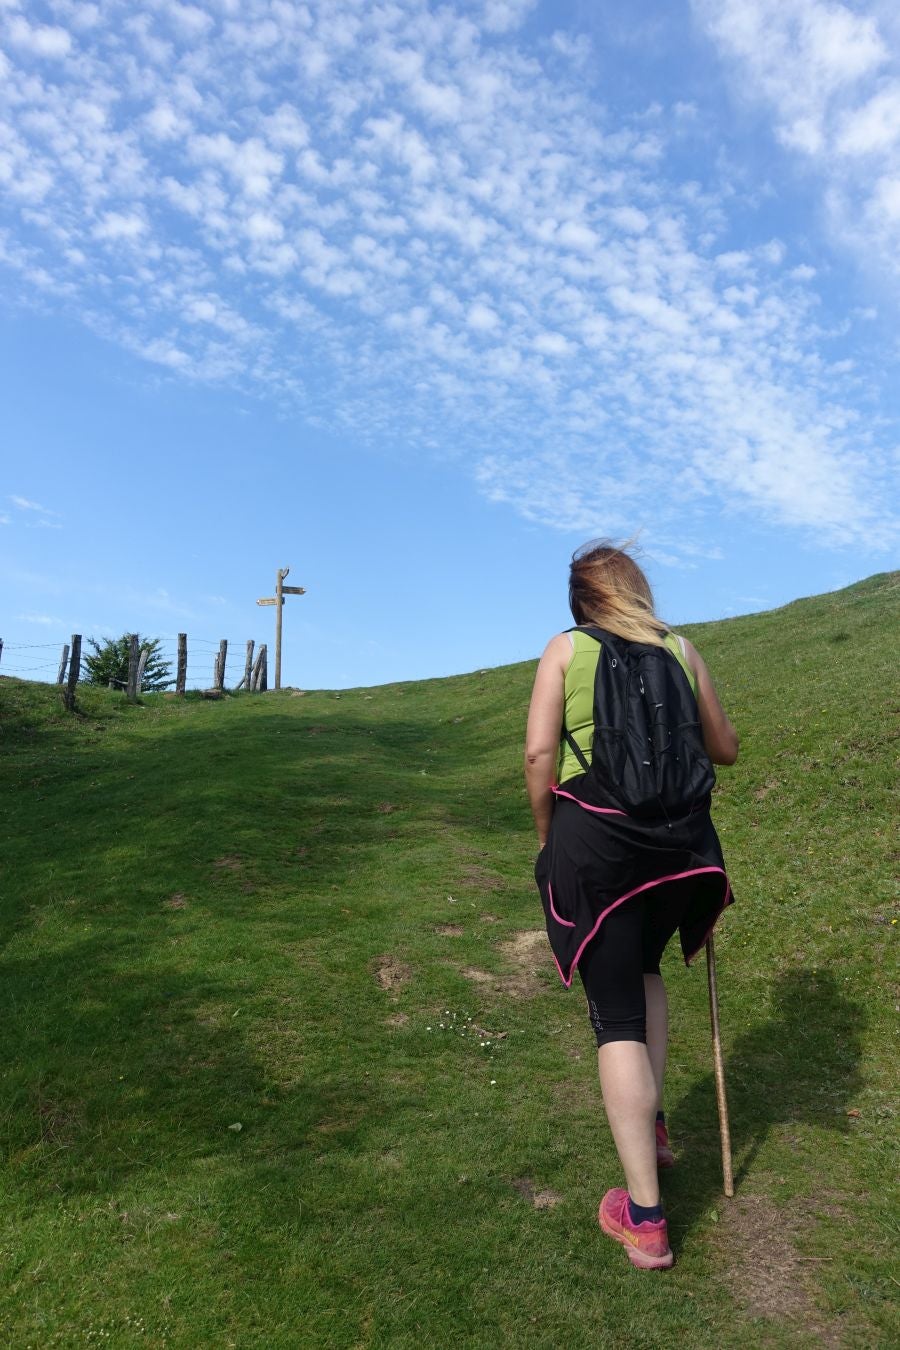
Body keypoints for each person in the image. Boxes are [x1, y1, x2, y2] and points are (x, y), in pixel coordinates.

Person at [524, 541, 738, 1270]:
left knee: (614, 1012)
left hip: (602, 849)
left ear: (582, 600)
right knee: (645, 975)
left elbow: (537, 758)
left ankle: (644, 1219)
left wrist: (551, 836)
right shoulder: (681, 650)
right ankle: (652, 1131)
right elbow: (726, 748)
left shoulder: (565, 650)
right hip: (680, 853)